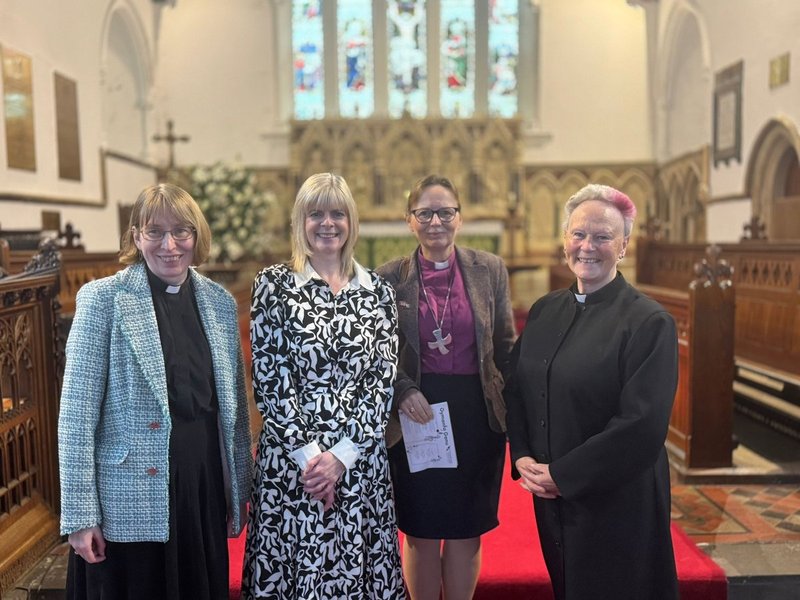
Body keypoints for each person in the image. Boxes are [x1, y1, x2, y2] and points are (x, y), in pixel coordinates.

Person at [58, 183, 253, 600]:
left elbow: (233, 409)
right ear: (136, 237)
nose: (170, 245)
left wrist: (240, 491)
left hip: (201, 487)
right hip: (129, 498)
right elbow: (75, 417)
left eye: (181, 231)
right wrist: (79, 515)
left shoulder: (217, 302)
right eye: (155, 232)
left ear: (196, 235)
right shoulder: (104, 300)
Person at [504, 184, 679, 600]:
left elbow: (642, 426)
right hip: (554, 499)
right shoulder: (546, 310)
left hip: (618, 500)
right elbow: (518, 389)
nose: (588, 246)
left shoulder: (649, 322)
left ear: (623, 246)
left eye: (602, 237)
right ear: (565, 239)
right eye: (579, 234)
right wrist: (524, 454)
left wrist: (563, 476)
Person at [241, 173, 404, 599]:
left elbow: (380, 381)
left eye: (337, 213)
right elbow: (270, 377)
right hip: (294, 465)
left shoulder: (378, 293)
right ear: (301, 221)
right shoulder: (273, 285)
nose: (326, 223)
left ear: (351, 221)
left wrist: (342, 456)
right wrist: (313, 460)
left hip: (357, 463)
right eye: (316, 214)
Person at [377, 174, 516, 600]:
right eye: (425, 213)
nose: (435, 221)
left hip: (475, 411)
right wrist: (402, 391)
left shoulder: (488, 268)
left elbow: (506, 345)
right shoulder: (388, 277)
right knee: (421, 529)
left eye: (445, 212)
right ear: (409, 220)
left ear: (459, 216)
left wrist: (521, 413)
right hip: (416, 412)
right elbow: (377, 352)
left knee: (464, 530)